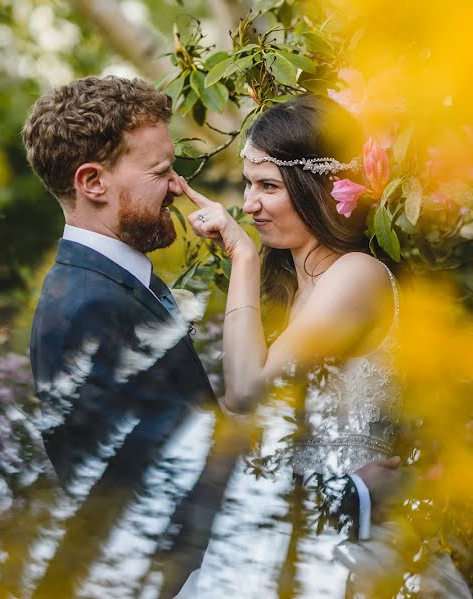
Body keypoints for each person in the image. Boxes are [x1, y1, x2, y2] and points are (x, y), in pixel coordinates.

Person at [177, 95, 411, 597]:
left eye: (268, 186)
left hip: (349, 549)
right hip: (290, 533)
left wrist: (243, 257)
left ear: (318, 188)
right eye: (248, 184)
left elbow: (247, 393)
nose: (249, 203)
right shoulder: (298, 289)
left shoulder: (357, 276)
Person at [23, 76, 218, 597]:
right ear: (93, 182)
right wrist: (346, 495)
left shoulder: (113, 283)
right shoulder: (88, 310)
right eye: (160, 171)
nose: (177, 186)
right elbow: (155, 495)